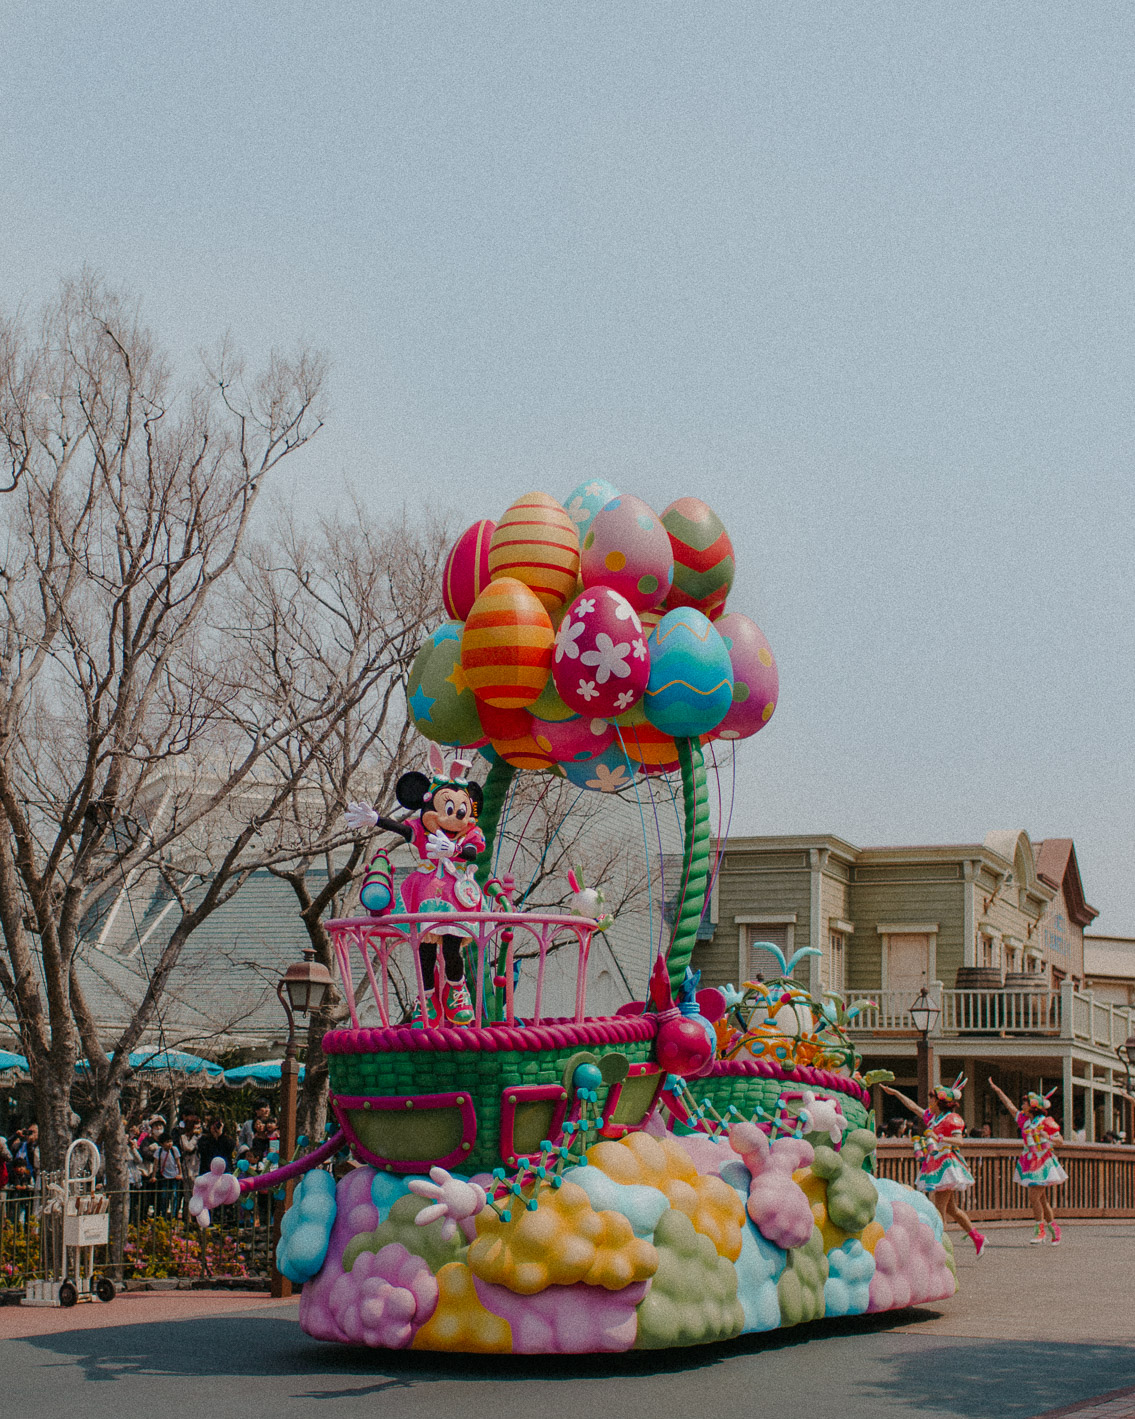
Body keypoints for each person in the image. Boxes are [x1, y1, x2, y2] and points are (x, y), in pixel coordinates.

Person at [346, 747, 485, 1028]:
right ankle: (427, 999)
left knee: (451, 949)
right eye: (449, 809)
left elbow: (472, 851)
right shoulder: (423, 831)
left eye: (460, 810)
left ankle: (456, 990)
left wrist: (455, 848)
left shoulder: (469, 833)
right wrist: (376, 820)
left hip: (455, 893)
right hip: (425, 894)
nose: (454, 817)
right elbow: (402, 830)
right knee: (424, 951)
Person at [881, 1075, 986, 1258]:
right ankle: (977, 1237)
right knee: (951, 1209)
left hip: (946, 1164)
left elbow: (959, 1140)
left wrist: (940, 1138)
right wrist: (896, 1093)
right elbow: (913, 1107)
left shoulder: (952, 1119)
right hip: (936, 1163)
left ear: (939, 1101)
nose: (929, 1100)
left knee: (939, 1209)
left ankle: (939, 1250)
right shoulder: (933, 1117)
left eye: (931, 1097)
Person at [988, 1079, 1067, 1244]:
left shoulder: (1046, 1122)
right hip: (1029, 1160)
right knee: (1042, 1200)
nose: (1022, 1105)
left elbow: (1060, 1140)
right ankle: (1054, 1229)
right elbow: (1010, 1106)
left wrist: (1048, 1136)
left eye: (1025, 1103)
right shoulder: (1024, 1120)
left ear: (1033, 1106)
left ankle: (1040, 1231)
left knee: (1034, 1197)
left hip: (1043, 1161)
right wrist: (997, 1090)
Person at [155, 1131, 182, 1217]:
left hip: (174, 1176)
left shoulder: (174, 1150)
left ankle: (173, 1216)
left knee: (174, 1195)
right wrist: (153, 1176)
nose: (170, 1144)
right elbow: (155, 1164)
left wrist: (180, 1174)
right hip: (164, 1176)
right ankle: (163, 1215)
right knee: (164, 1196)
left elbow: (178, 1163)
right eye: (167, 1142)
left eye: (170, 1141)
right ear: (162, 1144)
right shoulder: (159, 1151)